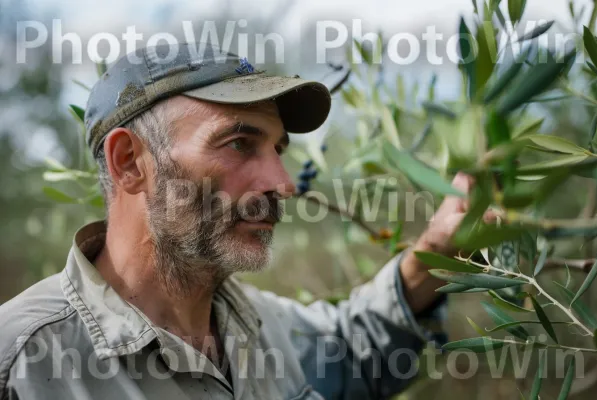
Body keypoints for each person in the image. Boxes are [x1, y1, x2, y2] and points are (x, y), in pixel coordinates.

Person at [0, 43, 474, 400]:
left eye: (278, 150)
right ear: (129, 162)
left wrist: (436, 252)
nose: (283, 183)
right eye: (239, 144)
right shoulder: (23, 365)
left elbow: (353, 348)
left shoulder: (262, 325)